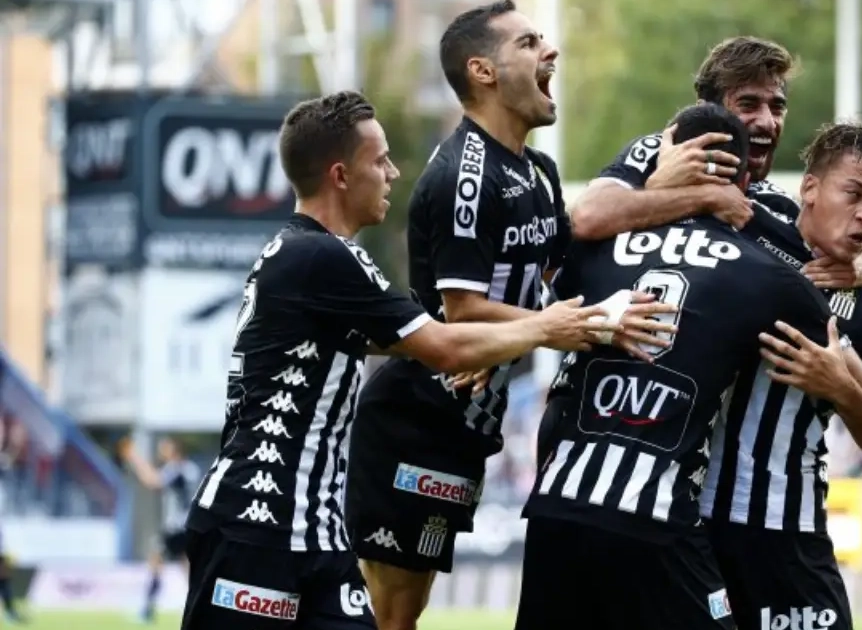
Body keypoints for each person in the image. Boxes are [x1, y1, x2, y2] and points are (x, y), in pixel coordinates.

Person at [179, 90, 619, 630]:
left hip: (317, 534)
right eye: (380, 161)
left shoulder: (309, 256)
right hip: (255, 525)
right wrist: (548, 327)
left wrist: (493, 345)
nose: (393, 173)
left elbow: (419, 342)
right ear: (341, 176)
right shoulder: (321, 256)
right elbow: (442, 345)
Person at [345, 4, 675, 629]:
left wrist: (660, 193)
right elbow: (462, 310)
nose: (550, 51)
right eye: (528, 42)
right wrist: (575, 325)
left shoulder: (539, 171)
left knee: (405, 611)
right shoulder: (465, 176)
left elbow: (562, 277)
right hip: (416, 416)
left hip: (469, 420)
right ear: (484, 71)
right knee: (390, 615)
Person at [516, 103, 862, 630]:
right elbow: (858, 381)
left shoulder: (599, 249)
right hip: (656, 514)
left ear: (668, 160)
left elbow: (533, 297)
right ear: (745, 182)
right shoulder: (769, 274)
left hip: (556, 501)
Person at [700, 121, 862, 630]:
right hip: (700, 530)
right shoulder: (745, 238)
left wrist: (842, 388)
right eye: (854, 194)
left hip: (794, 538)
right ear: (809, 189)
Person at [569, 35, 862, 291]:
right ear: (706, 109)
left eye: (777, 107)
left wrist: (855, 270)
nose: (767, 122)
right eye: (748, 104)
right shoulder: (657, 151)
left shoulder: (777, 203)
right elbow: (587, 217)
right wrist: (705, 197)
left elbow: (825, 258)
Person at [118, 436, 201, 623]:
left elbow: (152, 481)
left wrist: (134, 457)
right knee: (187, 569)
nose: (161, 451)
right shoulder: (191, 469)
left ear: (175, 450)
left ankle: (147, 611)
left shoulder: (175, 468)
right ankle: (197, 609)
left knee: (156, 562)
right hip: (189, 525)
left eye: (165, 448)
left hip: (175, 527)